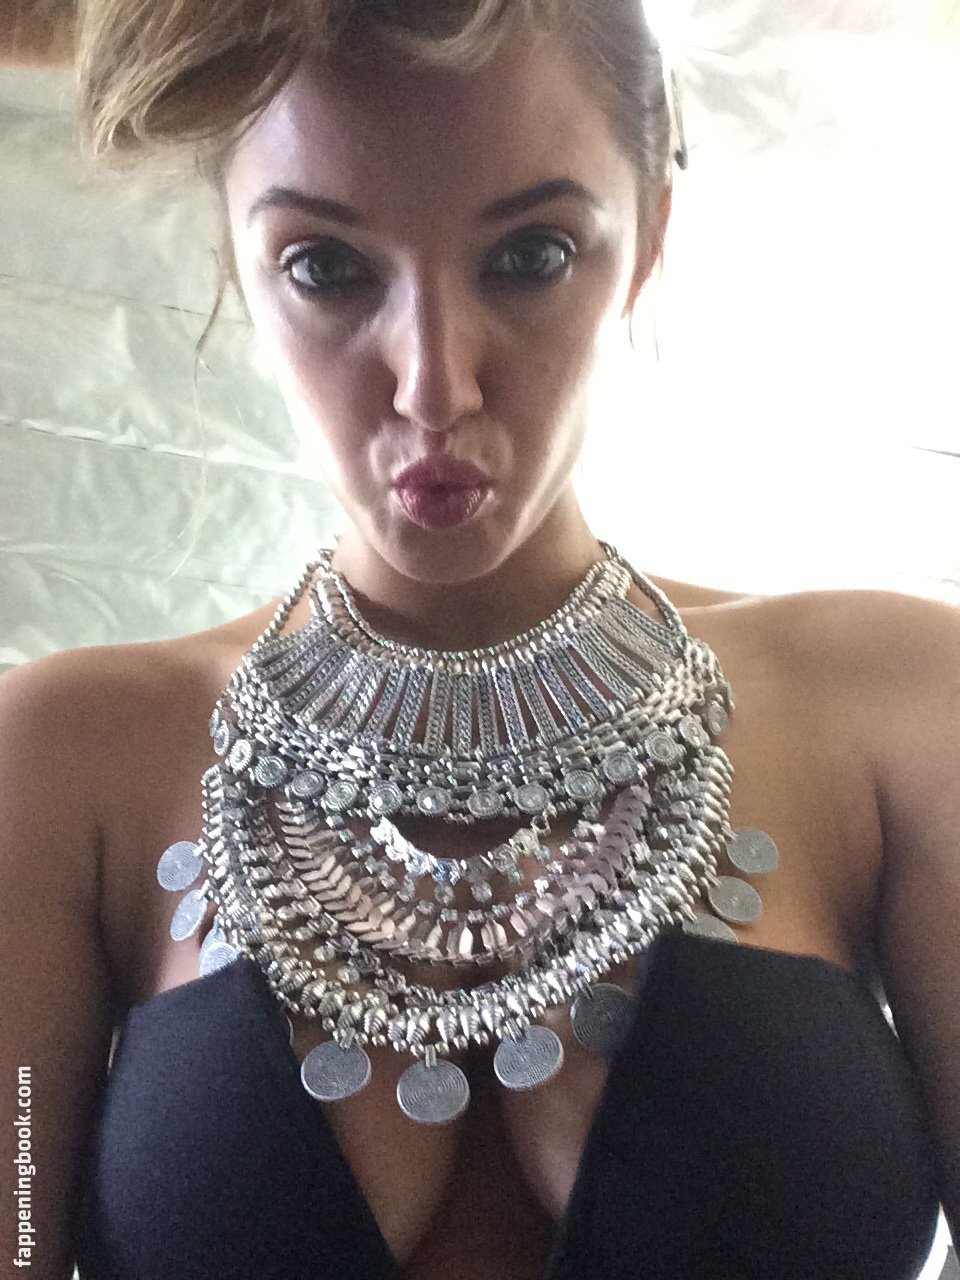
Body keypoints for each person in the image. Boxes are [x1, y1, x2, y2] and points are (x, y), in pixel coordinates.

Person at [1, 2, 958, 1277]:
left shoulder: (902, 705)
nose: (435, 384)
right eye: (326, 267)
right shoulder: (61, 760)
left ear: (651, 234)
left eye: (531, 254)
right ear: (235, 259)